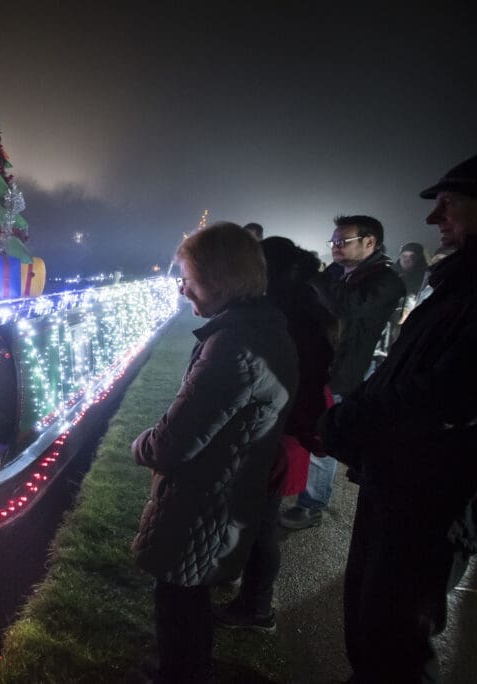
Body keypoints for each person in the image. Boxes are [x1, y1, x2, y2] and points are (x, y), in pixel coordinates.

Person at [320, 154, 477, 681]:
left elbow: (446, 390)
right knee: (372, 618)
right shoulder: (461, 282)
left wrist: (355, 416)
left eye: (448, 204)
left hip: (429, 487)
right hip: (403, 476)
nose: (435, 219)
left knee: (395, 630)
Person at [130, 223, 298, 682]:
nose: (182, 288)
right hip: (224, 491)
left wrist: (139, 444)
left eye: (188, 277)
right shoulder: (262, 328)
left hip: (203, 502)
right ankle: (188, 666)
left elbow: (172, 443)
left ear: (219, 278)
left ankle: (180, 672)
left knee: (178, 598)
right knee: (192, 597)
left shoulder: (234, 347)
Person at [213, 236, 335, 633]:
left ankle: (257, 607)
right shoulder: (302, 306)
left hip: (276, 435)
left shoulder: (286, 316)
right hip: (281, 431)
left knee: (262, 522)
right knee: (253, 517)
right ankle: (242, 586)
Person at [280, 215, 404, 530]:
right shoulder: (339, 273)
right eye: (333, 241)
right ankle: (293, 488)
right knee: (305, 425)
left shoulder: (386, 280)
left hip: (348, 370)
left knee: (324, 435)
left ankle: (311, 506)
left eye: (342, 241)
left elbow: (345, 307)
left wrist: (317, 278)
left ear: (370, 242)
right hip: (319, 363)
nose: (335, 248)